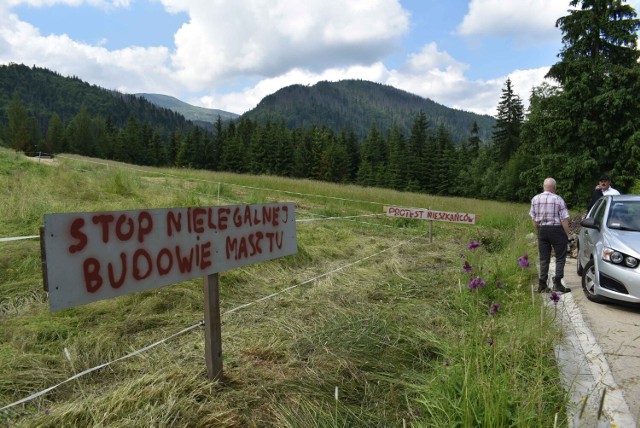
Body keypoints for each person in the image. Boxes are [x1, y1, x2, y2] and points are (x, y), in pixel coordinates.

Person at [529, 178, 571, 293]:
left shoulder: (535, 199)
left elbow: (533, 218)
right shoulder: (558, 199)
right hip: (557, 230)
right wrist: (566, 235)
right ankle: (557, 283)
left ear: (543, 187)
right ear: (554, 187)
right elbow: (564, 219)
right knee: (560, 257)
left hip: (542, 229)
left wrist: (538, 229)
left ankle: (542, 284)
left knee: (544, 258)